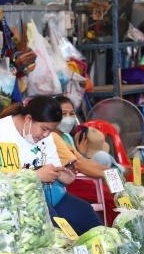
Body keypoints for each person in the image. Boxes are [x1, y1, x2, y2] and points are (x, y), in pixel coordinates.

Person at [0, 95, 102, 234]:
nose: (46, 135)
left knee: (85, 213)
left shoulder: (46, 136)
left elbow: (52, 165)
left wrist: (61, 175)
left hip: (36, 196)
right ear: (28, 119)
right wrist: (36, 175)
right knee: (48, 222)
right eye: (44, 129)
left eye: (50, 131)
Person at [50, 96, 119, 225]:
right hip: (68, 183)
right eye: (63, 114)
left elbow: (82, 160)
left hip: (78, 179)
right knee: (109, 197)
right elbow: (78, 165)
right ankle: (113, 230)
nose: (68, 118)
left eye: (71, 114)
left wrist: (110, 172)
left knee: (115, 190)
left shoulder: (66, 137)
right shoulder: (53, 136)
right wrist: (106, 174)